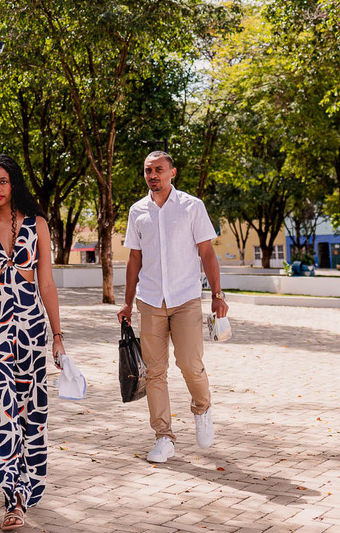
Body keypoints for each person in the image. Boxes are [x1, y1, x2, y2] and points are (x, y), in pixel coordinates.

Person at [0, 155, 65, 531]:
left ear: (14, 183)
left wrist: (57, 336)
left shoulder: (38, 225)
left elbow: (47, 283)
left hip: (31, 327)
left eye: (3, 182)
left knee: (31, 411)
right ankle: (13, 496)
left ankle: (28, 485)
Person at [117, 151, 228, 465]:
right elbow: (134, 259)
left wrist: (217, 294)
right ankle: (163, 437)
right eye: (148, 170)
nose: (153, 175)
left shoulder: (192, 206)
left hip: (185, 298)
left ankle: (202, 409)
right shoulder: (137, 210)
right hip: (150, 300)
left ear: (172, 173)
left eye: (159, 170)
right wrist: (127, 301)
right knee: (155, 372)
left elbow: (206, 252)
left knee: (190, 363)